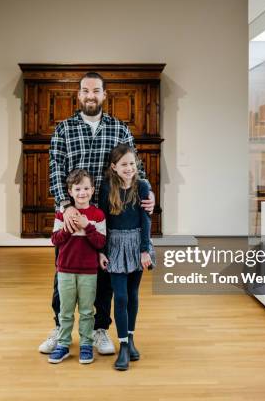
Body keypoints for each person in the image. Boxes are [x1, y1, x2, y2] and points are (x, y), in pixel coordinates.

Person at [40, 72, 155, 355]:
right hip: (71, 212)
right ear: (78, 95)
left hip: (108, 214)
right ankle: (60, 327)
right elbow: (55, 168)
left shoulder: (120, 129)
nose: (90, 95)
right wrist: (65, 207)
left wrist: (147, 193)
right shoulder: (63, 129)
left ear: (104, 95)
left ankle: (100, 328)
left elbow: (133, 165)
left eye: (96, 91)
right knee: (63, 270)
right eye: (85, 91)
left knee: (103, 274)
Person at [98, 144, 154, 371]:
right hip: (114, 245)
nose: (129, 168)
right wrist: (101, 250)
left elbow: (146, 221)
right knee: (119, 297)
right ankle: (122, 345)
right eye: (123, 164)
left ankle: (130, 338)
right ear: (114, 167)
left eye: (132, 163)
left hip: (137, 245)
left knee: (132, 294)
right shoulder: (106, 187)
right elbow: (102, 220)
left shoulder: (142, 187)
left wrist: (144, 250)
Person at [48, 169, 106, 364]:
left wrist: (86, 225)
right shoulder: (61, 214)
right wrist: (68, 227)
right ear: (70, 192)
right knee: (65, 311)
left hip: (89, 272)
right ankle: (63, 344)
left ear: (93, 190)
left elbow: (100, 242)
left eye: (86, 188)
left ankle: (86, 345)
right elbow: (55, 240)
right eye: (78, 188)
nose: (82, 193)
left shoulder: (97, 215)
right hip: (65, 270)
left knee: (87, 311)